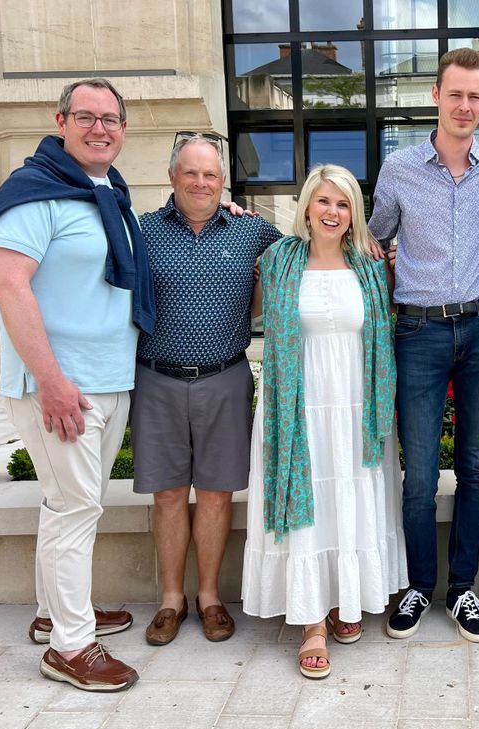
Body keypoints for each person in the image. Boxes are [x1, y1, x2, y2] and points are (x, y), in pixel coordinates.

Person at [0, 78, 152, 691]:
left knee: (68, 506)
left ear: (123, 129)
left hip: (107, 379)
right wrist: (50, 381)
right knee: (75, 508)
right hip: (60, 385)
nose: (100, 128)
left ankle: (56, 614)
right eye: (86, 117)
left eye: (111, 119)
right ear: (61, 122)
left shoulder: (108, 192)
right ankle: (71, 647)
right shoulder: (32, 193)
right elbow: (9, 285)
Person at [369, 47, 479, 643]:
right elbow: (371, 241)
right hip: (418, 333)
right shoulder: (399, 168)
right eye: (455, 94)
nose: (464, 105)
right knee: (420, 474)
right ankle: (418, 586)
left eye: (475, 96)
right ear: (436, 95)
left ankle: (462, 588)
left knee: (476, 467)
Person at [241, 164, 405, 679]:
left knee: (347, 495)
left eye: (343, 203)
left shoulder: (371, 264)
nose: (332, 212)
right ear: (307, 207)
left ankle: (342, 600)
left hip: (357, 403)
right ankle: (312, 621)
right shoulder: (278, 259)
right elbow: (255, 313)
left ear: (354, 212)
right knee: (309, 498)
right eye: (323, 201)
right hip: (299, 403)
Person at [133, 133, 282, 646]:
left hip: (226, 377)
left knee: (217, 494)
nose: (201, 182)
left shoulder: (253, 230)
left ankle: (210, 597)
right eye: (191, 173)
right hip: (157, 377)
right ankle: (171, 600)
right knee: (169, 494)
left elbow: (309, 250)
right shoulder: (140, 230)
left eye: (211, 174)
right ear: (172, 177)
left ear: (224, 183)